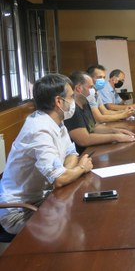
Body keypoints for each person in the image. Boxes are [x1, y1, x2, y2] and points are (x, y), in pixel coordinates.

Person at [0, 74, 93, 235]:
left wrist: (67, 171)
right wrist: (81, 168)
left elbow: (71, 153)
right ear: (59, 101)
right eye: (71, 97)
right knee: (76, 226)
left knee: (85, 215)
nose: (73, 101)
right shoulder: (39, 129)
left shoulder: (58, 122)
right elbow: (59, 179)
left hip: (45, 198)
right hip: (20, 211)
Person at [64, 71, 135, 154]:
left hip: (92, 149)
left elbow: (94, 127)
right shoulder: (72, 110)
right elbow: (84, 140)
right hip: (82, 156)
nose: (93, 90)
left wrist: (116, 131)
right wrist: (115, 137)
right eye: (90, 87)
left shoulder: (85, 103)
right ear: (78, 88)